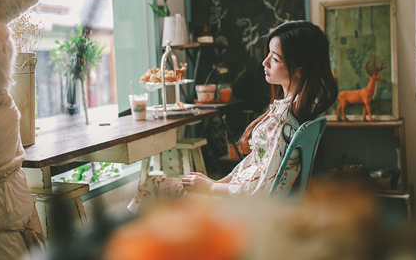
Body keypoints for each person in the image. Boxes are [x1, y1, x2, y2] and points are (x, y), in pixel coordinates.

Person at [128, 21, 338, 213]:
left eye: (274, 59)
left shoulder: (283, 123)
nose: (264, 62)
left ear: (299, 70)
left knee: (153, 186)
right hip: (240, 197)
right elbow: (258, 163)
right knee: (160, 186)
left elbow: (260, 190)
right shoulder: (297, 113)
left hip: (242, 209)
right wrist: (219, 182)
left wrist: (212, 188)